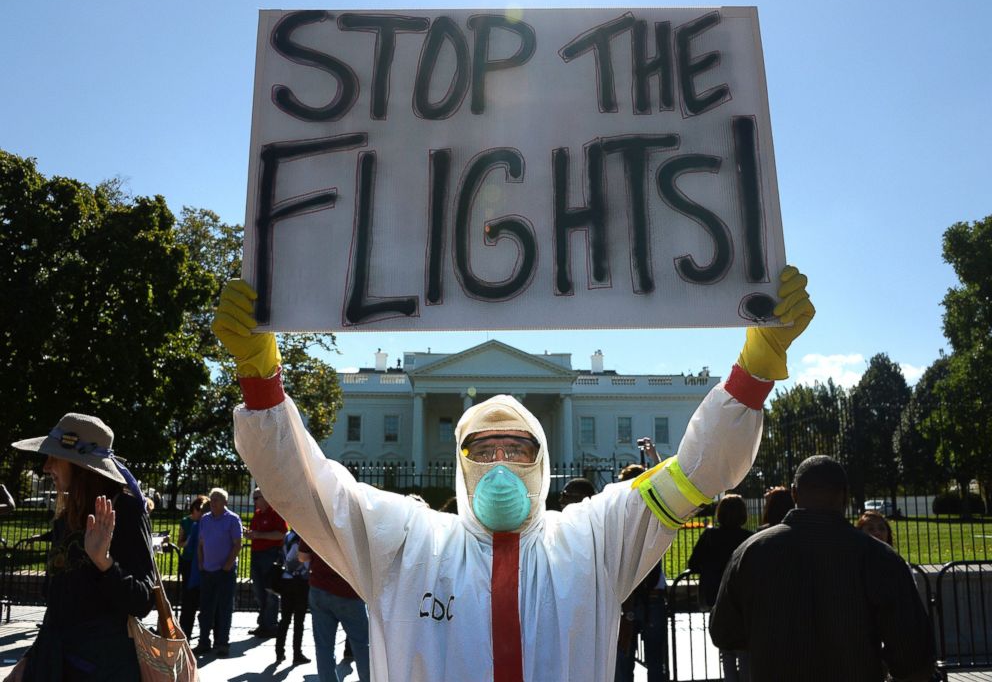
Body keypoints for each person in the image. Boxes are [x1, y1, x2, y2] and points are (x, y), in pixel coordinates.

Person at [212, 265, 813, 681]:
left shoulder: (597, 538)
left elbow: (697, 473)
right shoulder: (406, 542)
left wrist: (753, 372)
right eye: (484, 449)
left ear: (543, 461)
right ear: (460, 463)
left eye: (517, 448)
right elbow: (304, 486)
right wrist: (261, 380)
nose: (500, 462)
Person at [710, 456, 934, 681]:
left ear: (794, 494)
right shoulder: (879, 557)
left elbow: (724, 632)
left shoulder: (751, 552)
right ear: (845, 495)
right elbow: (912, 651)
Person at [11, 412, 156, 679]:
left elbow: (143, 600)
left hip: (106, 671)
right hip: (54, 666)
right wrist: (27, 662)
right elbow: (56, 611)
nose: (45, 467)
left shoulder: (125, 510)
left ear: (80, 464)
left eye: (54, 456)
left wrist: (104, 563)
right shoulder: (64, 520)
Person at [687, 493, 752, 681]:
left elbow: (693, 563)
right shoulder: (748, 538)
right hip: (742, 599)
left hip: (716, 596)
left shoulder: (710, 536)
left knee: (726, 648)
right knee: (744, 648)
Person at [614, 464, 667, 682]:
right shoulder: (659, 510)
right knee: (656, 663)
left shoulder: (618, 514)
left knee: (624, 662)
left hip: (628, 595)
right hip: (651, 594)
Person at [298, 538, 370, 682]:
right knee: (362, 645)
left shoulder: (315, 520)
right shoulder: (356, 519)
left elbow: (302, 556)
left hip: (319, 587)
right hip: (349, 590)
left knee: (324, 647)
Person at [195, 486, 242, 657]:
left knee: (224, 608)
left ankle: (222, 643)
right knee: (206, 608)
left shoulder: (232, 519)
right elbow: (201, 544)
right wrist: (201, 563)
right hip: (207, 570)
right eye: (211, 499)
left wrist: (227, 565)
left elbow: (238, 544)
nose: (212, 502)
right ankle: (204, 641)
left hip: (224, 572)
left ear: (225, 502)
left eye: (216, 499)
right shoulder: (205, 519)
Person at [246, 487, 287, 637]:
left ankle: (270, 625)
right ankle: (263, 623)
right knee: (259, 591)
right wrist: (250, 535)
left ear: (266, 498)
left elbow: (281, 534)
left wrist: (258, 535)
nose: (254, 501)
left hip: (270, 555)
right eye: (254, 498)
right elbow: (255, 534)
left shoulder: (276, 513)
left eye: (257, 498)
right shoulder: (256, 515)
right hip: (257, 555)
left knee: (270, 592)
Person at [274, 528, 311, 665]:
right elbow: (292, 560)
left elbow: (283, 557)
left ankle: (279, 651)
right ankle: (297, 653)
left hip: (286, 580)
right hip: (299, 582)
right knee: (298, 620)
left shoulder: (287, 536)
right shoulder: (300, 538)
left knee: (285, 619)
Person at [178, 494, 208, 639]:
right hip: (189, 561)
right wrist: (189, 540)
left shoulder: (203, 524)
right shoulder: (187, 522)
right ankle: (185, 629)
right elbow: (180, 543)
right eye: (197, 510)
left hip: (200, 562)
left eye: (201, 510)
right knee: (188, 596)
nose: (199, 513)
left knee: (199, 597)